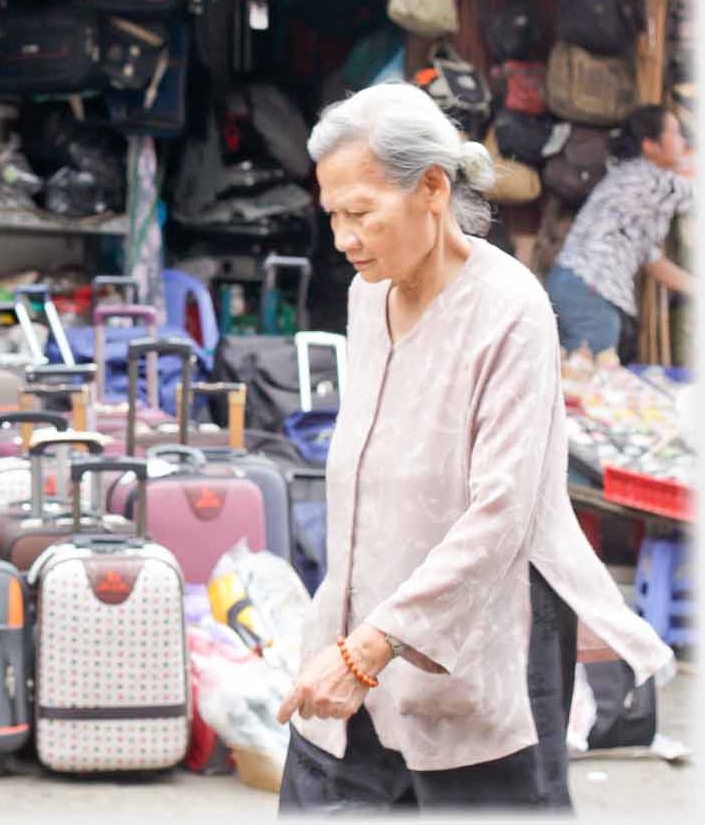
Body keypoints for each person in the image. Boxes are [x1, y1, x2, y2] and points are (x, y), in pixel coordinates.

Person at [277, 83, 673, 812]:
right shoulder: (370, 294)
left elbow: (502, 514)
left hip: (479, 639)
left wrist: (370, 649)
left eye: (361, 214)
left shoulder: (510, 311)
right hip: (356, 630)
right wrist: (349, 640)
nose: (343, 239)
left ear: (431, 188)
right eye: (333, 215)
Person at [546, 105, 693, 356]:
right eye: (676, 133)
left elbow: (648, 256)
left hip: (578, 286)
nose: (684, 141)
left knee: (584, 378)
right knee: (591, 381)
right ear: (651, 146)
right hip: (590, 289)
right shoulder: (649, 179)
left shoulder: (633, 180)